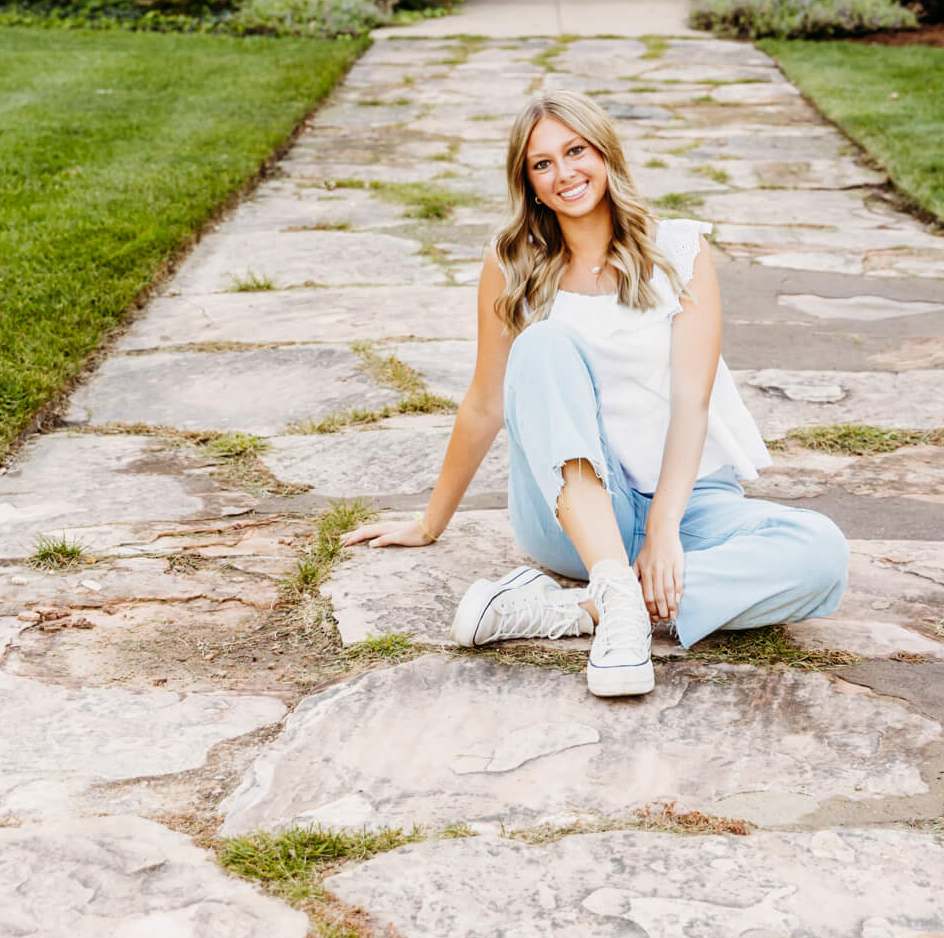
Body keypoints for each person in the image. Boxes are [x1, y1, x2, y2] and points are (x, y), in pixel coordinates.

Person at [342, 90, 848, 697]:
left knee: (819, 553)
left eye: (575, 150)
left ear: (604, 152)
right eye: (542, 163)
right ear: (528, 182)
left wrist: (663, 530)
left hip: (686, 505)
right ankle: (618, 596)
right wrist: (430, 522)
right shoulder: (512, 266)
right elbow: (485, 401)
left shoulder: (680, 253)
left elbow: (692, 404)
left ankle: (581, 611)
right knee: (542, 345)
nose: (564, 173)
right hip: (571, 512)